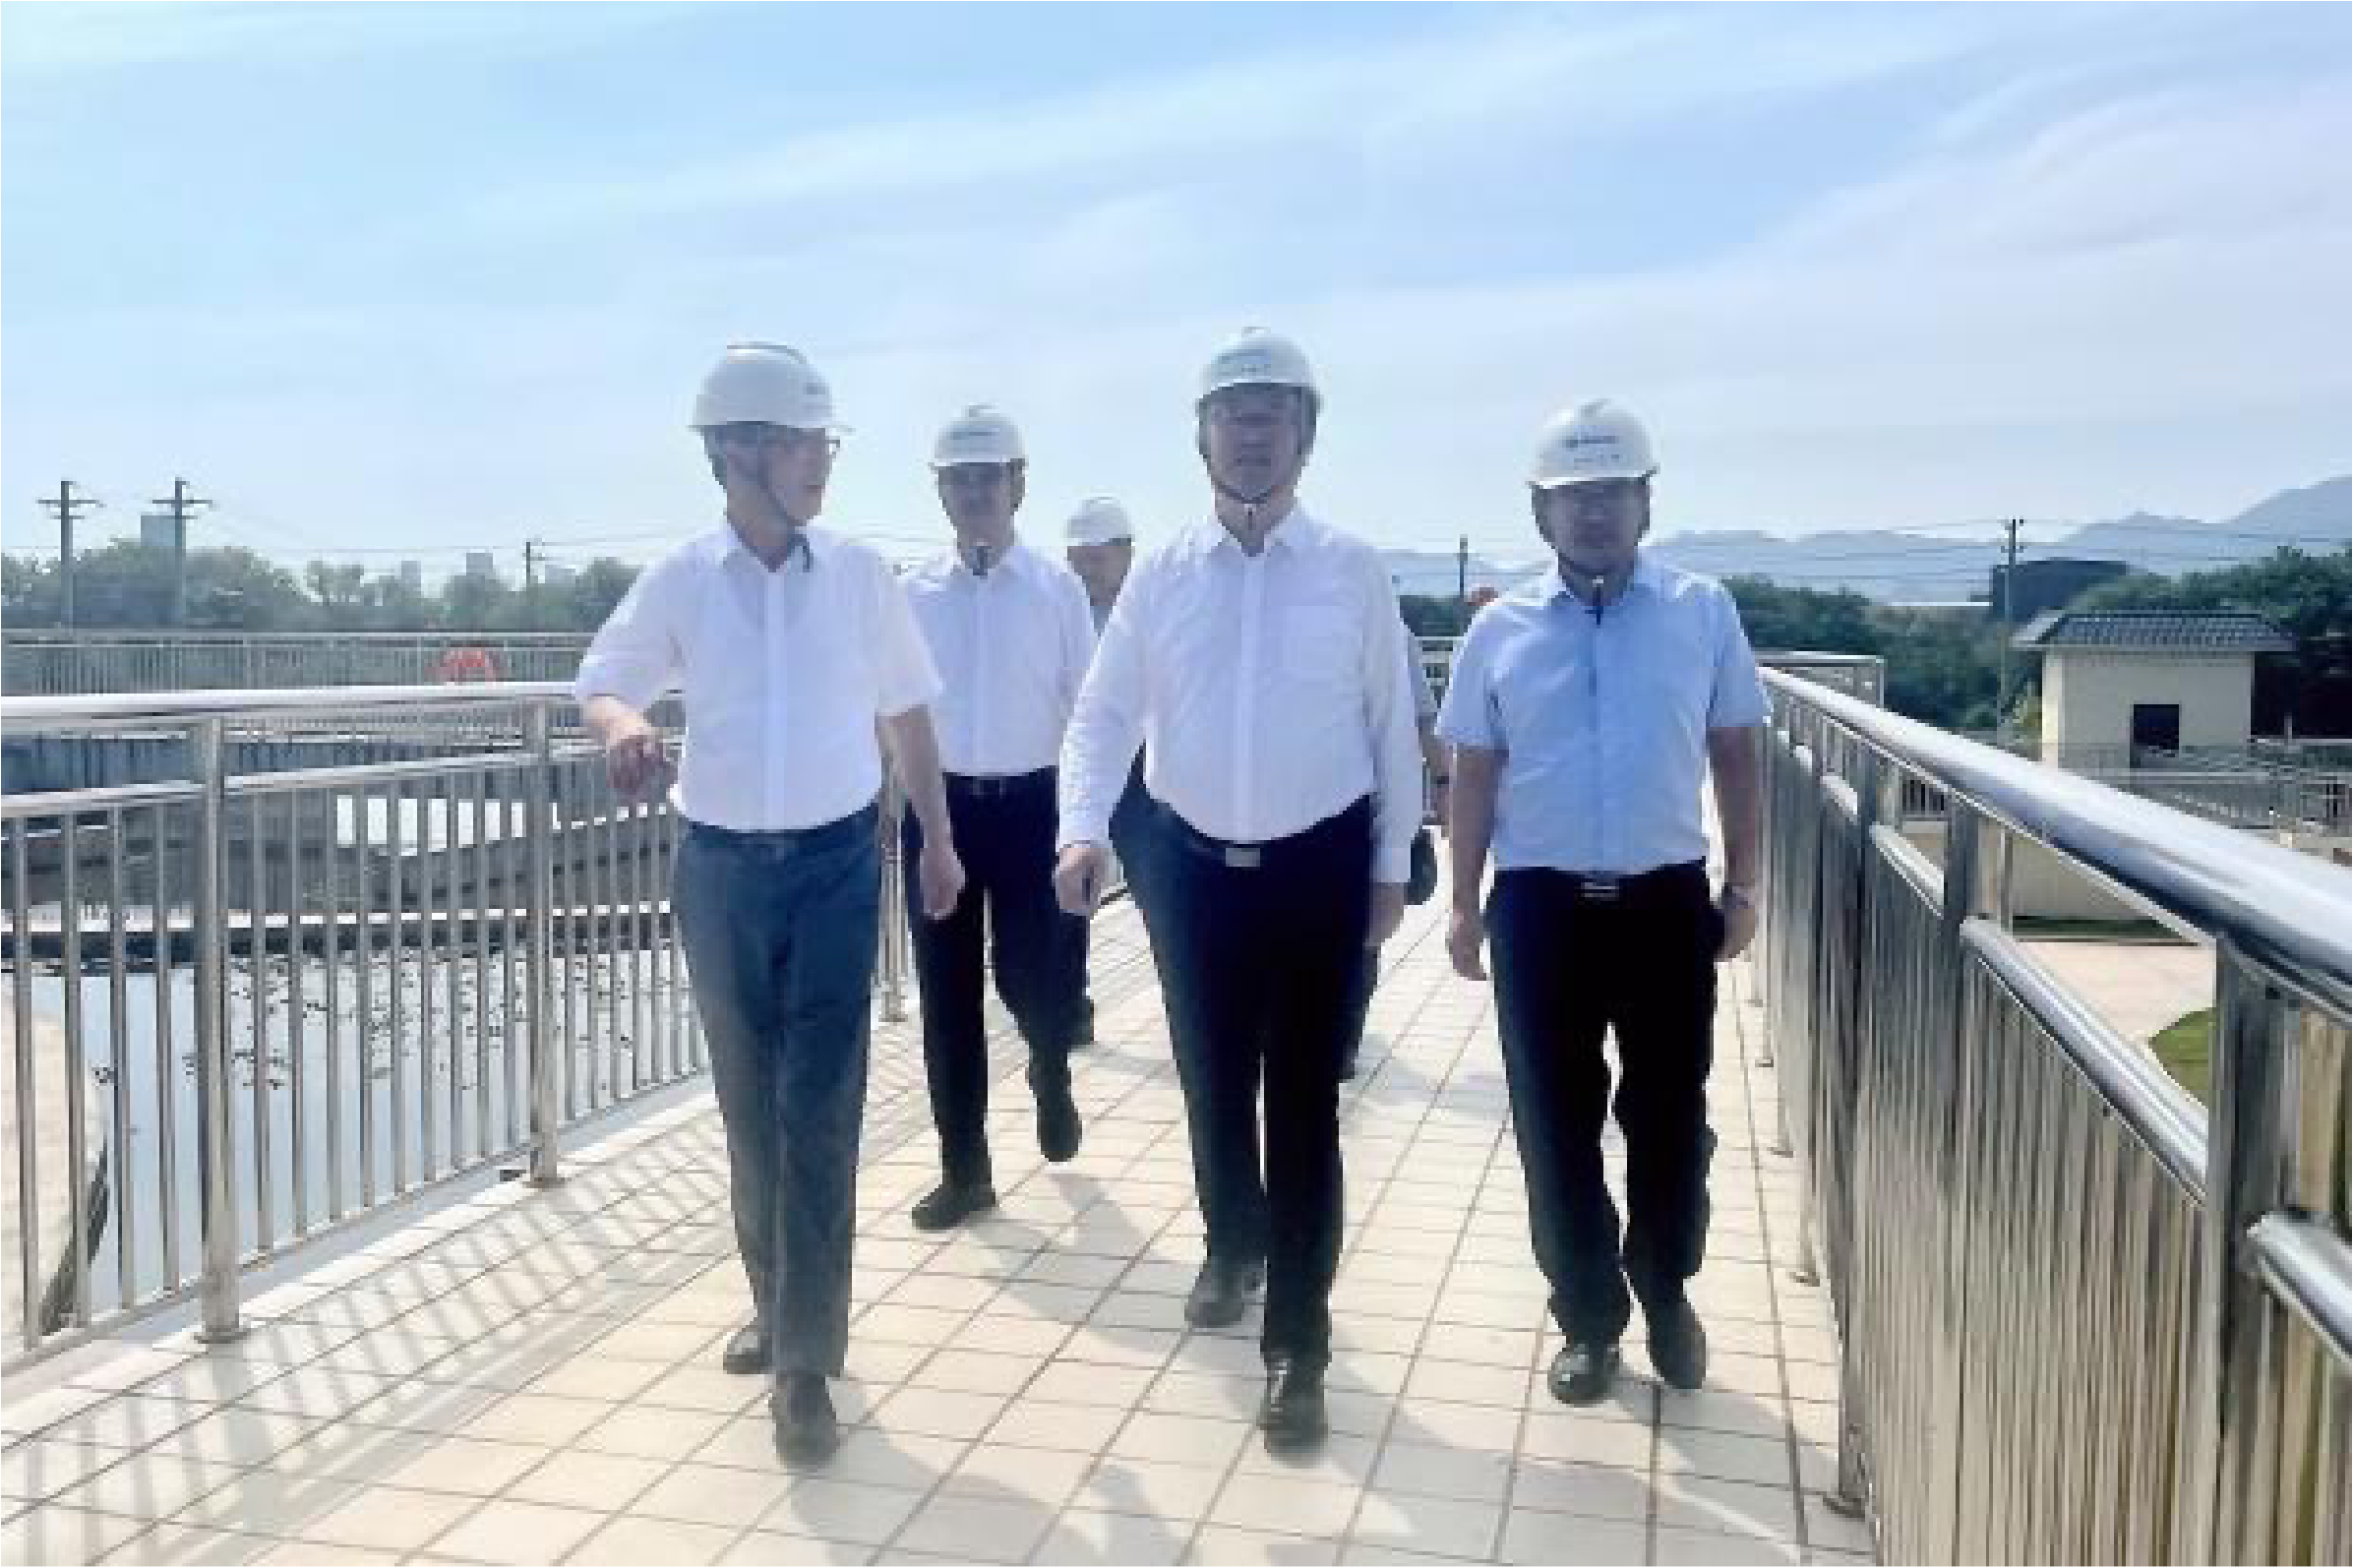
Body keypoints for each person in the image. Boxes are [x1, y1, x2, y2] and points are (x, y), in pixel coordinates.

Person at [574, 342, 964, 1466]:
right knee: (750, 1108)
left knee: (820, 1107)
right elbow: (605, 679)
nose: (819, 463)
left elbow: (909, 712)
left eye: (822, 443)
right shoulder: (685, 578)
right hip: (721, 873)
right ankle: (775, 1303)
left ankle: (804, 1366)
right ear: (737, 452)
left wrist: (938, 840)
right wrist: (624, 726)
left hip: (838, 866)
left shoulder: (860, 575)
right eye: (801, 444)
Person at [1056, 329, 1419, 1455]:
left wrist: (1390, 866)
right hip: (1193, 868)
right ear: (1202, 437)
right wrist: (1081, 829)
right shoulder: (1162, 574)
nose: (1250, 434)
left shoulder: (1350, 569)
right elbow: (1104, 712)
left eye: (1271, 415)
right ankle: (1230, 1243)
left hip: (1318, 869)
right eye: (1231, 415)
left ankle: (1297, 1349)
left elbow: (1391, 724)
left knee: (1303, 1106)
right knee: (1212, 1079)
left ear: (1305, 436)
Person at [1437, 398, 1766, 1407]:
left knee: (1671, 1115)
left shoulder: (1701, 611)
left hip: (1665, 904)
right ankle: (1587, 1316)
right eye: (1573, 496)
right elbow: (1473, 771)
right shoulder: (1498, 629)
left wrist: (1745, 883)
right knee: (1554, 1122)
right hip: (1540, 910)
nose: (1594, 512)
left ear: (1646, 501)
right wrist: (1462, 903)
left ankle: (1664, 1285)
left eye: (1613, 492)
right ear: (1541, 511)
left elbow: (1736, 751)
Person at [899, 406, 1097, 1230]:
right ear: (941, 490)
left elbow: (1088, 711)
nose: (975, 493)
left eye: (989, 478)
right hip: (939, 809)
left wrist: (1089, 823)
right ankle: (965, 1171)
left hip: (1033, 808)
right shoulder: (912, 593)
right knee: (947, 997)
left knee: (1031, 975)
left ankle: (1049, 1064)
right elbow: (891, 707)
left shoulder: (1056, 589)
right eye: (960, 480)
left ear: (1019, 484)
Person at [1338, 614, 1448, 1082]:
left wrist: (1444, 783)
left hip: (1371, 807)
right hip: (1324, 809)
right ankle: (1337, 1037)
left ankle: (1342, 1039)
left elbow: (1423, 718)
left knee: (1365, 927)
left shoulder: (1393, 634)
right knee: (1353, 931)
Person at [1063, 496, 1153, 1045]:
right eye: (1077, 560)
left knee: (1155, 887)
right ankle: (1071, 1006)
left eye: (1096, 559)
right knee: (1070, 886)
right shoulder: (1063, 610)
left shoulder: (1149, 610)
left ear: (1126, 553)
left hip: (1144, 774)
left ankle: (1186, 989)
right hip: (1080, 770)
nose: (1086, 572)